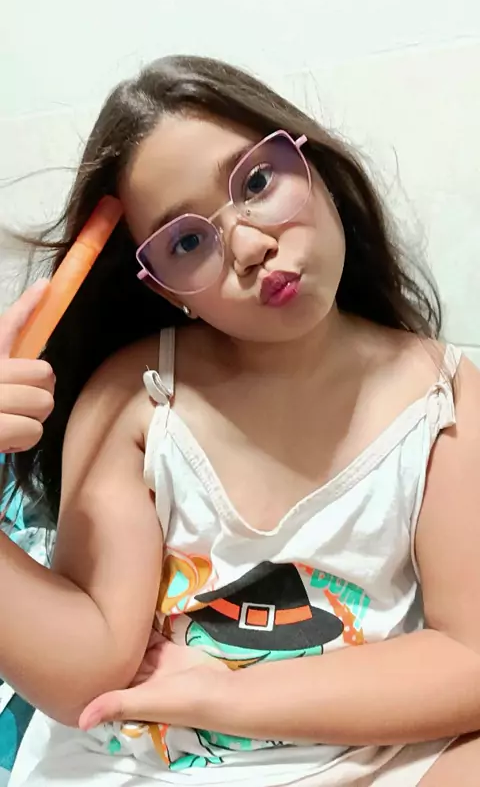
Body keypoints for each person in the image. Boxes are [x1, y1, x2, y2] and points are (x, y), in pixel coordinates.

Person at [1, 55, 480, 786]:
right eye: (188, 242)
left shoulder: (441, 396)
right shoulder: (140, 396)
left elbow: (468, 656)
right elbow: (87, 674)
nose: (251, 247)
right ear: (166, 289)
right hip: (143, 763)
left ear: (312, 164)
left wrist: (225, 695)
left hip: (361, 756)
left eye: (257, 182)